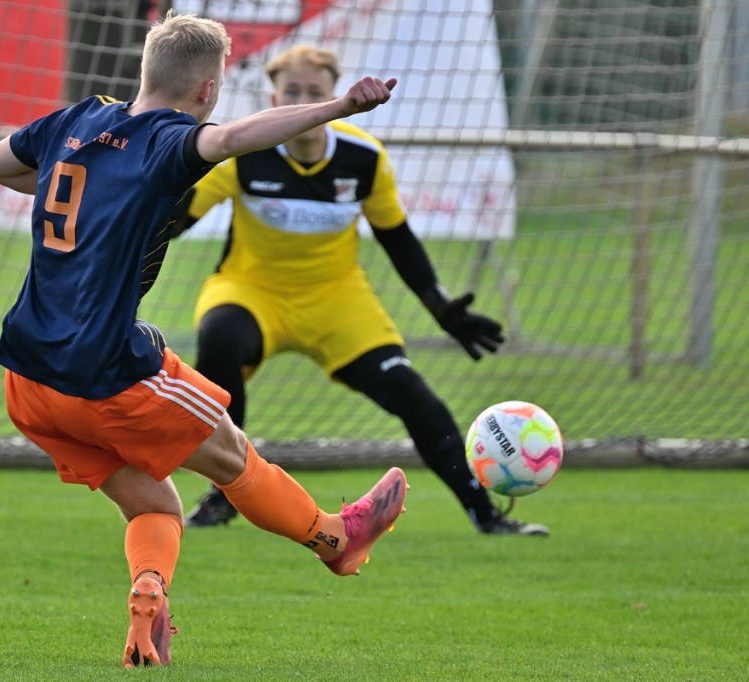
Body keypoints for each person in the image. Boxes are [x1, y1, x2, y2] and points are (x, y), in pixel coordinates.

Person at [0, 12, 407, 670]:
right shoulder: (168, 140)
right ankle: (334, 538)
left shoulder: (78, 119)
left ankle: (149, 595)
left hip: (28, 380)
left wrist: (96, 192)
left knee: (154, 503)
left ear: (144, 71)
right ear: (207, 90)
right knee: (234, 458)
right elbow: (232, 138)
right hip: (106, 372)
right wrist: (339, 107)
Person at [175, 45, 546, 537]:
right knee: (219, 340)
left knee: (412, 394)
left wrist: (440, 306)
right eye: (291, 91)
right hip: (251, 291)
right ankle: (226, 493)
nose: (303, 99)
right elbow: (175, 220)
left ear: (333, 96)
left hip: (337, 300)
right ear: (274, 98)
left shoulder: (364, 157)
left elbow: (397, 238)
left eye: (314, 91)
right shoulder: (244, 150)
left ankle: (487, 514)